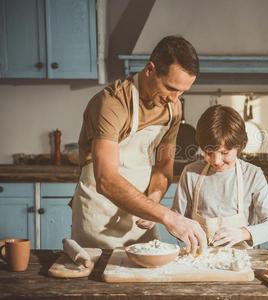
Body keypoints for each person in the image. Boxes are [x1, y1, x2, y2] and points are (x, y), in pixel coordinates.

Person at [71, 35, 207, 253]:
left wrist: (154, 198)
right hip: (99, 216)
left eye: (182, 91)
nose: (175, 98)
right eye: (171, 88)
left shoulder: (173, 110)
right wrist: (166, 215)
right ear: (150, 69)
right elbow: (105, 180)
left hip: (141, 216)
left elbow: (164, 165)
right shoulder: (112, 103)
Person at [172, 105, 268, 248]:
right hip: (199, 259)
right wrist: (162, 219)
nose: (216, 161)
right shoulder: (190, 173)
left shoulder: (252, 175)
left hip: (241, 261)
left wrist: (243, 233)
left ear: (240, 146)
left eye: (224, 153)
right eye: (209, 152)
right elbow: (176, 219)